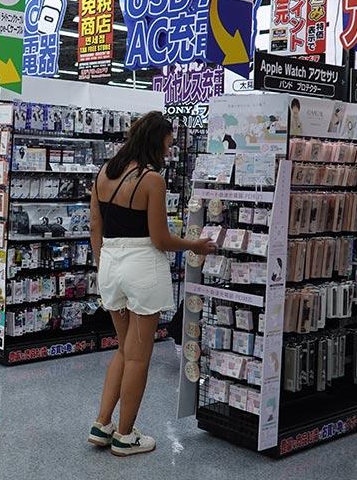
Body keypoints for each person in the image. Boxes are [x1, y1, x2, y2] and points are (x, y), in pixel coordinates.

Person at [87, 112, 215, 457]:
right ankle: (125, 436)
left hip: (110, 265)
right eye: (169, 143)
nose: (170, 149)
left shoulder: (103, 174)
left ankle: (102, 424)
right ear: (157, 140)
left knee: (123, 349)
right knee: (139, 357)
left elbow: (95, 226)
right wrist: (195, 245)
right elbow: (160, 239)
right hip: (142, 266)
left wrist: (104, 265)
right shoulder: (151, 180)